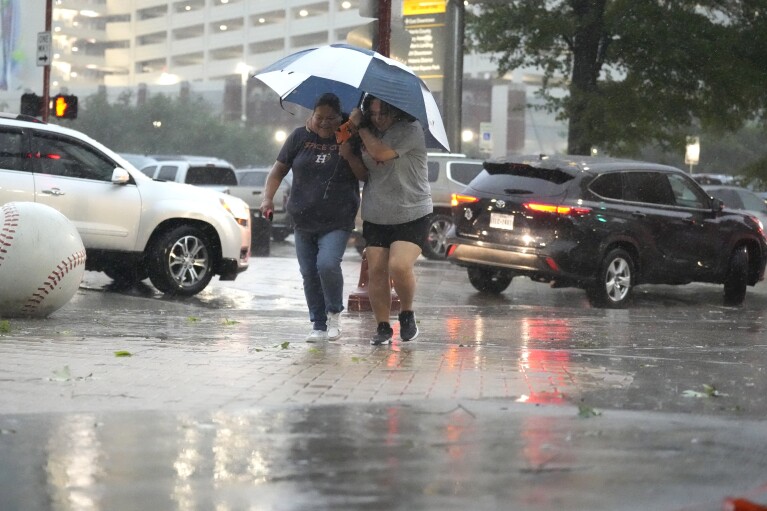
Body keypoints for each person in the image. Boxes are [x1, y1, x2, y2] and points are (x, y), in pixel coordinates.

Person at [260, 93, 361, 342]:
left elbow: (364, 174)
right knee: (309, 272)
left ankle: (334, 313)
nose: (325, 122)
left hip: (337, 218)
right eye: (319, 117)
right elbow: (277, 172)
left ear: (341, 117)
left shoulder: (349, 135)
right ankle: (318, 323)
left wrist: (348, 148)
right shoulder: (299, 137)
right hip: (303, 218)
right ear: (311, 115)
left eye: (331, 118)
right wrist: (267, 199)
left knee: (326, 264)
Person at [339, 95, 431, 345]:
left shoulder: (410, 130)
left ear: (396, 112)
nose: (379, 119)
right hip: (377, 212)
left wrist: (363, 127)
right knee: (376, 269)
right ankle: (382, 326)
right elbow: (363, 173)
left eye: (384, 114)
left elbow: (380, 152)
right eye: (374, 114)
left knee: (399, 265)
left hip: (412, 210)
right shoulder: (362, 131)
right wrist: (349, 152)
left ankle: (407, 313)